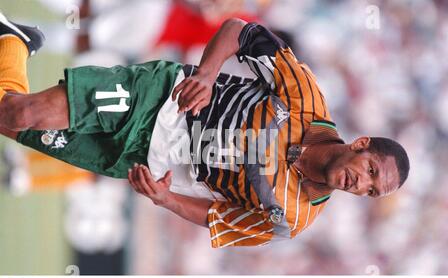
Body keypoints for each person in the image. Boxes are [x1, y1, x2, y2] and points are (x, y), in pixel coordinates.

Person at [0, 13, 409, 248]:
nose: (362, 185)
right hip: (157, 98)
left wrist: (165, 200)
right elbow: (240, 31)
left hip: (145, 161)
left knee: (10, 123)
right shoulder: (307, 97)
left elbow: (218, 217)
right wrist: (209, 76)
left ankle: (14, 44)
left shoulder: (294, 218)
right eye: (372, 171)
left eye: (371, 191)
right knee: (23, 114)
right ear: (361, 144)